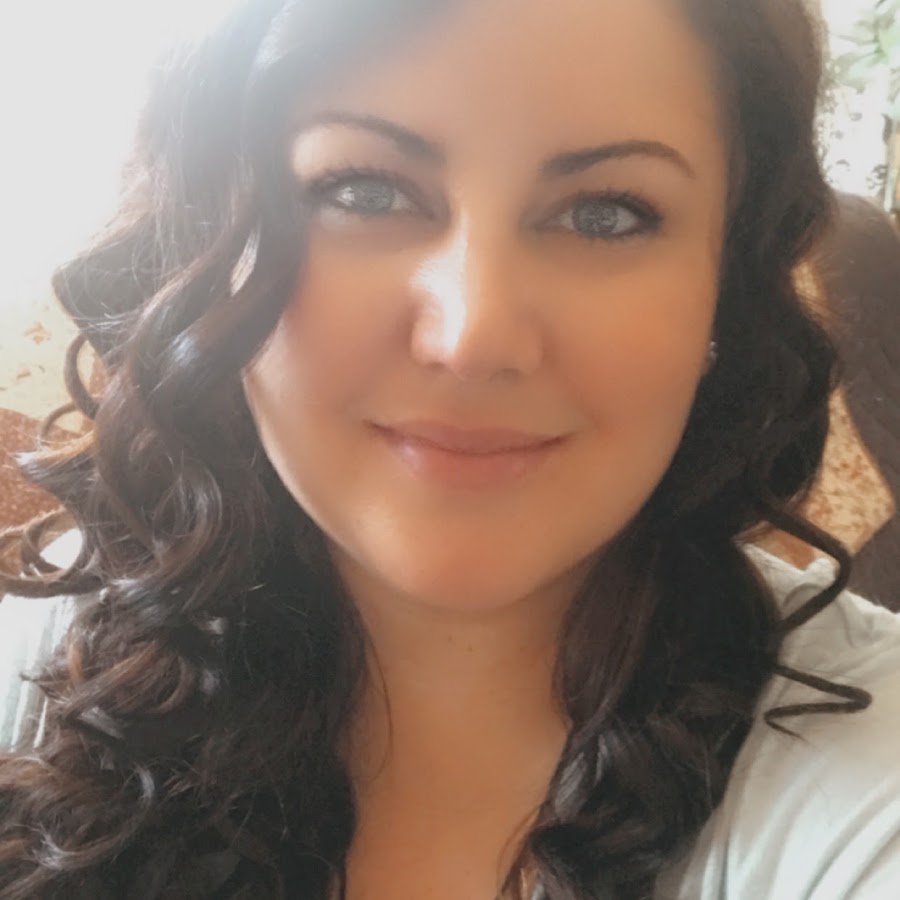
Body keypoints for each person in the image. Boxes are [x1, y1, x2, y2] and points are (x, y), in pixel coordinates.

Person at [0, 0, 898, 897]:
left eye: (604, 215)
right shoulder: (60, 654)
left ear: (723, 286)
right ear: (211, 246)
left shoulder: (866, 796)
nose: (473, 337)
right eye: (365, 192)